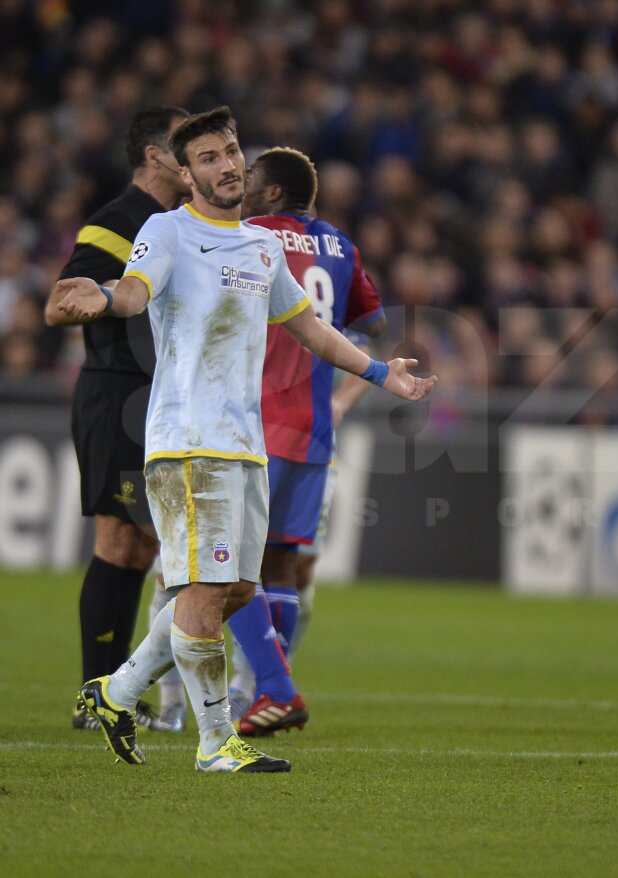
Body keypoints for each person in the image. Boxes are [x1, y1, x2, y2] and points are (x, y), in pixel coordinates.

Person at [59, 106, 437, 773]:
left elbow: (313, 330)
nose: (228, 165)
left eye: (232, 152)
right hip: (188, 441)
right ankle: (215, 745)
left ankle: (117, 692)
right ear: (184, 172)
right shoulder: (167, 229)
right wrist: (100, 294)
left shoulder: (262, 247)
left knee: (233, 591)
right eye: (208, 157)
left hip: (246, 446)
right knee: (205, 593)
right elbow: (135, 292)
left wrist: (382, 374)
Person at [226, 146, 385, 737]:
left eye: (249, 181)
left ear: (271, 194)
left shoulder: (250, 233)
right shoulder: (341, 245)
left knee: (221, 566)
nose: (239, 187)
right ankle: (259, 687)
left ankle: (259, 688)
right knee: (282, 567)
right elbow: (373, 323)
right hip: (315, 426)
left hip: (256, 421)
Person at [44, 106, 191, 731]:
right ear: (155, 156)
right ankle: (94, 694)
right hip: (118, 394)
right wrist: (93, 303)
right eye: (187, 148)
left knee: (141, 547)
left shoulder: (179, 224)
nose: (198, 160)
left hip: (157, 398)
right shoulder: (119, 223)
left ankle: (111, 692)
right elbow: (60, 300)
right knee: (119, 542)